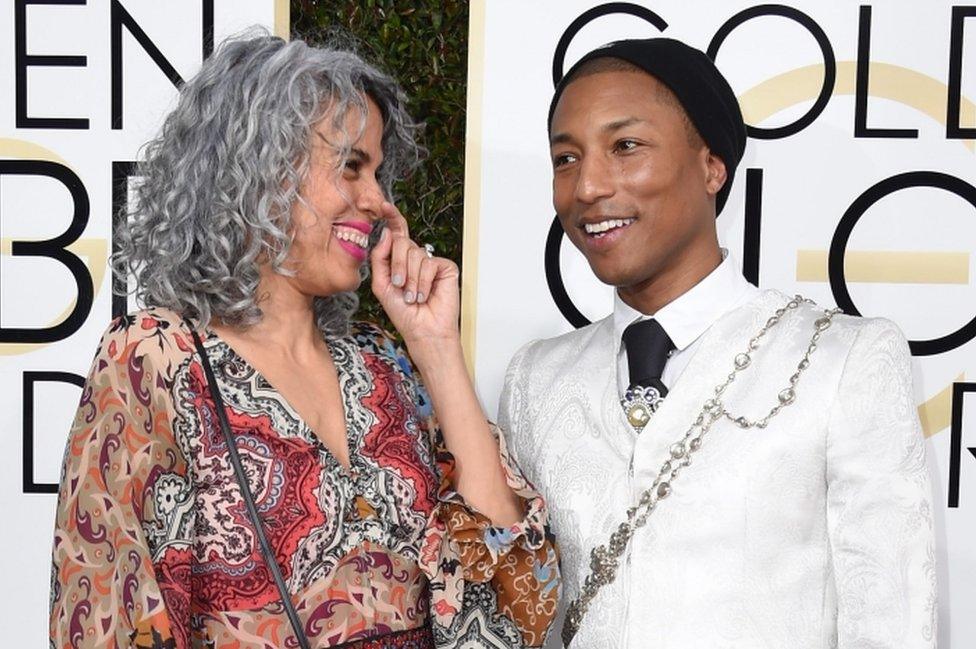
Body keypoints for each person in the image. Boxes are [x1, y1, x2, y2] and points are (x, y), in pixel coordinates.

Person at [49, 34, 558, 649]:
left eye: (376, 171)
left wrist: (436, 346)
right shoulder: (156, 358)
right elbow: (109, 613)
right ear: (258, 172)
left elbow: (515, 592)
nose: (376, 200)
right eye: (350, 166)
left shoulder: (384, 366)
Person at [498, 38, 936, 648]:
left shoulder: (843, 359)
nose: (588, 186)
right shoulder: (534, 378)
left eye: (626, 146)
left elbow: (892, 622)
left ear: (712, 165)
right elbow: (510, 601)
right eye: (566, 158)